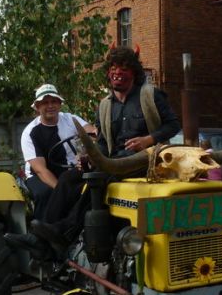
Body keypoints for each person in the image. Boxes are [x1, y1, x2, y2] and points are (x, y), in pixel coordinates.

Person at [16, 46, 180, 252]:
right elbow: (102, 141)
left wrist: (148, 140)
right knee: (68, 178)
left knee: (98, 180)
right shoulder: (105, 105)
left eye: (124, 68)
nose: (117, 73)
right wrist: (89, 156)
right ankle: (43, 235)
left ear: (134, 73)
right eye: (113, 68)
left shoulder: (150, 95)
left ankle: (65, 231)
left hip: (143, 160)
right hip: (112, 161)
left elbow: (173, 125)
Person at [20, 83, 94, 220]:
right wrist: (62, 191)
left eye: (54, 101)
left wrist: (87, 151)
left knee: (94, 188)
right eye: (45, 103)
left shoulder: (71, 119)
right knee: (46, 194)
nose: (50, 106)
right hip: (40, 175)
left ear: (60, 104)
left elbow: (93, 132)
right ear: (37, 107)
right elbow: (40, 170)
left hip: (70, 171)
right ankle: (41, 232)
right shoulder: (30, 133)